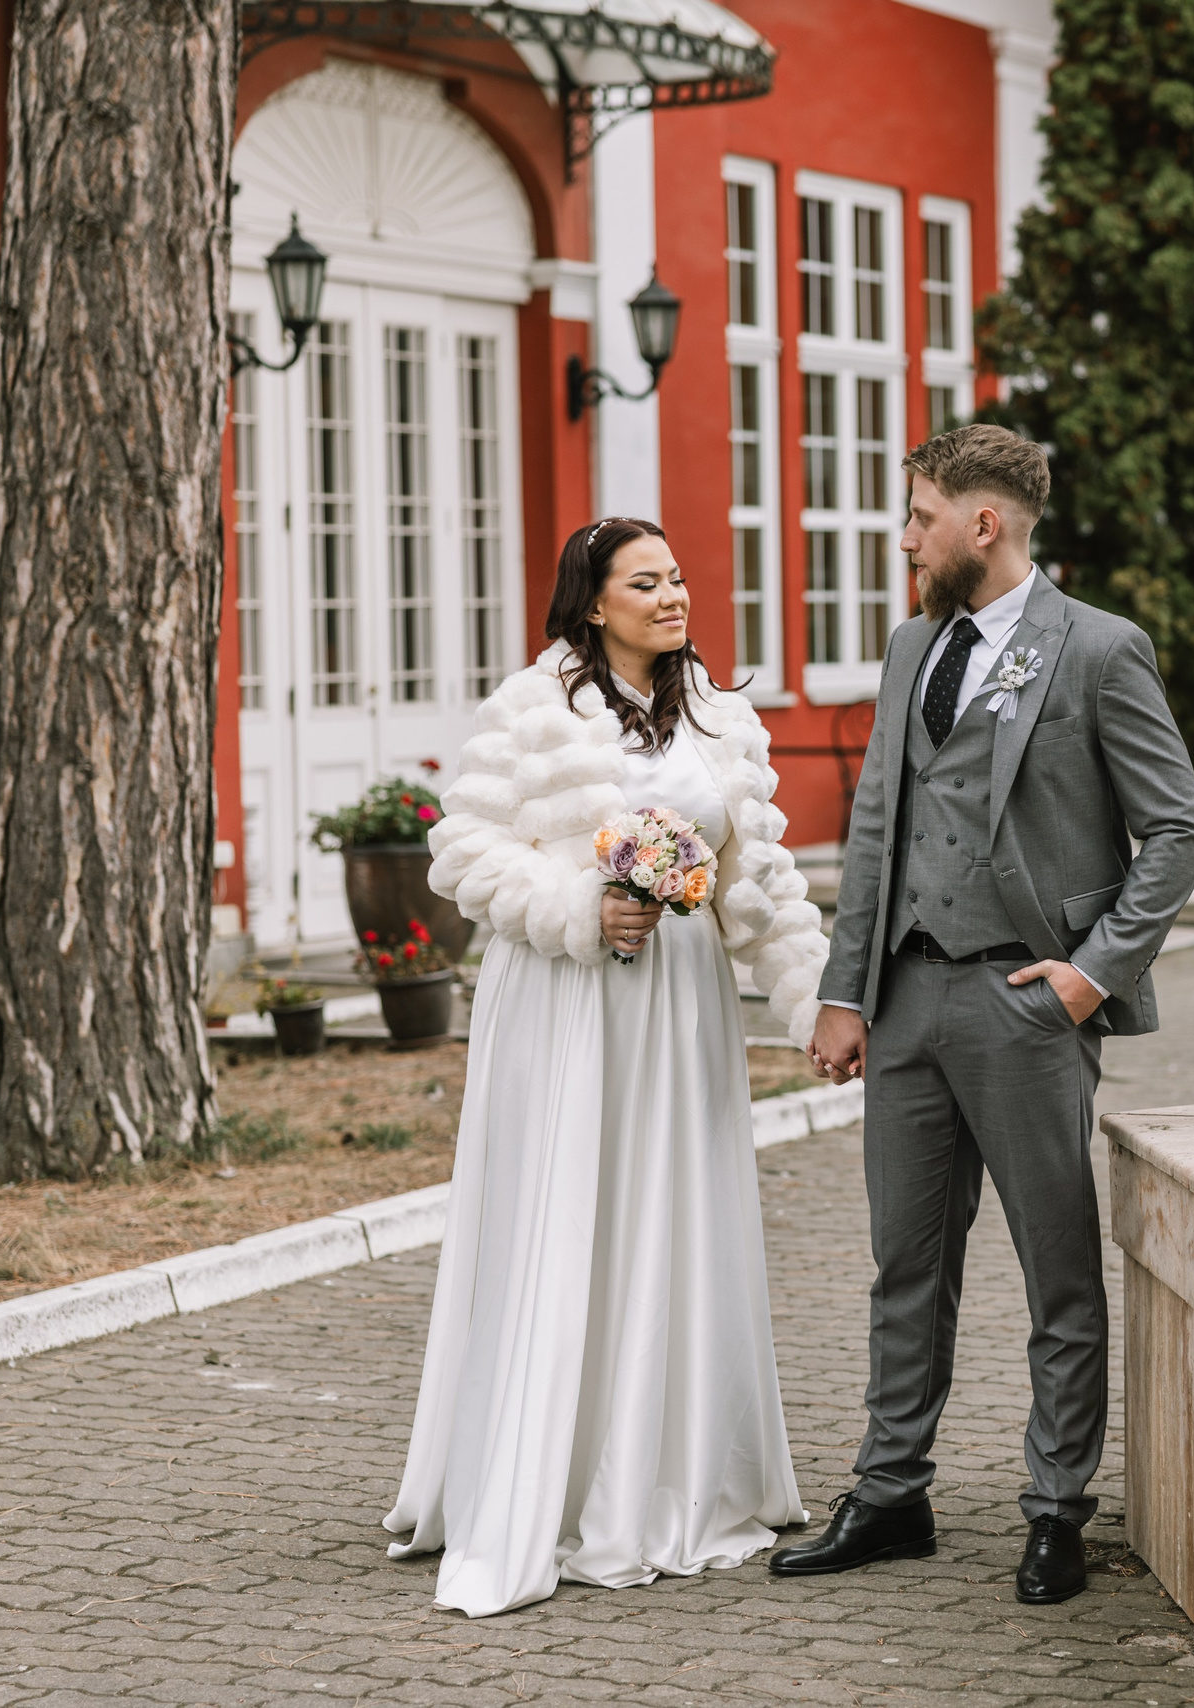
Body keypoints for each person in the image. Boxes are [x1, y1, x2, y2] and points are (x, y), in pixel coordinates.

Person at [776, 424, 1194, 1604]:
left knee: (1056, 1268)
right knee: (903, 1263)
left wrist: (1090, 973)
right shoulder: (915, 641)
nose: (903, 535)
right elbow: (878, 824)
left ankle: (1055, 1505)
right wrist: (843, 988)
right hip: (906, 1000)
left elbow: (1176, 833)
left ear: (984, 524)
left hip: (1028, 997)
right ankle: (890, 1491)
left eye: (918, 515)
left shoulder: (1100, 651)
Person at [382, 517, 830, 1618]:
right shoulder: (532, 711)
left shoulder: (724, 718)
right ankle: (557, 1477)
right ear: (592, 602)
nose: (673, 597)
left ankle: (671, 1470)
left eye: (678, 579)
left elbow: (760, 880)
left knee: (673, 1219)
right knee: (567, 1217)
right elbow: (464, 849)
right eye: (646, 582)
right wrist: (584, 906)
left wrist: (818, 1005)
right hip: (569, 999)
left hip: (682, 1009)